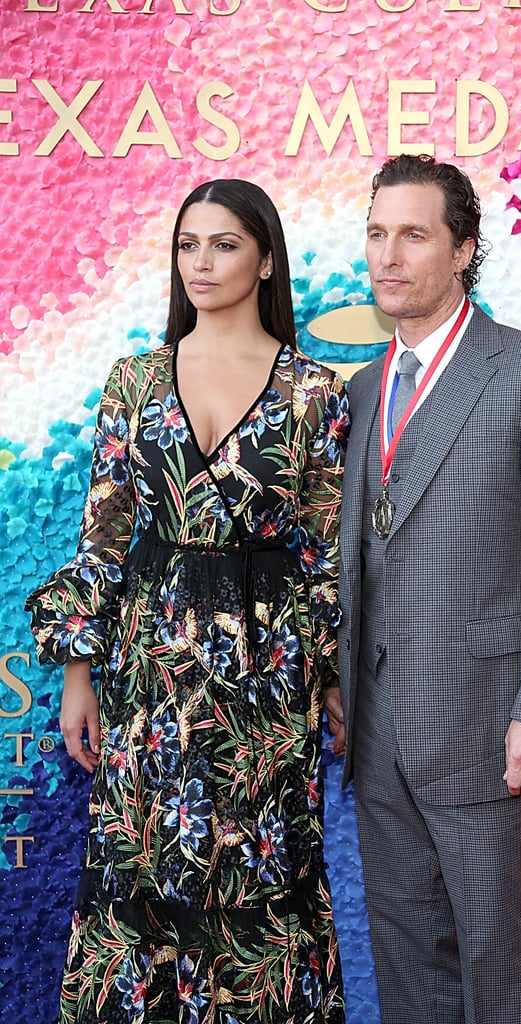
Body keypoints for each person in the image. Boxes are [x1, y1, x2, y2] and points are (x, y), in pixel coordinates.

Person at [26, 179, 348, 1024]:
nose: (201, 263)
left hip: (266, 676)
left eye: (225, 244)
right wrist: (77, 674)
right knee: (141, 865)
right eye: (187, 245)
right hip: (150, 669)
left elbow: (327, 555)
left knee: (260, 871)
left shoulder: (315, 392)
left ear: (266, 258)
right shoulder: (133, 382)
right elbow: (101, 538)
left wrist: (329, 678)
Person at [324, 154, 521, 1024]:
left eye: (413, 234)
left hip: (492, 726)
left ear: (463, 250)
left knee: (499, 963)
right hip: (376, 730)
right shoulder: (364, 389)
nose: (388, 256)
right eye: (376, 234)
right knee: (408, 960)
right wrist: (338, 686)